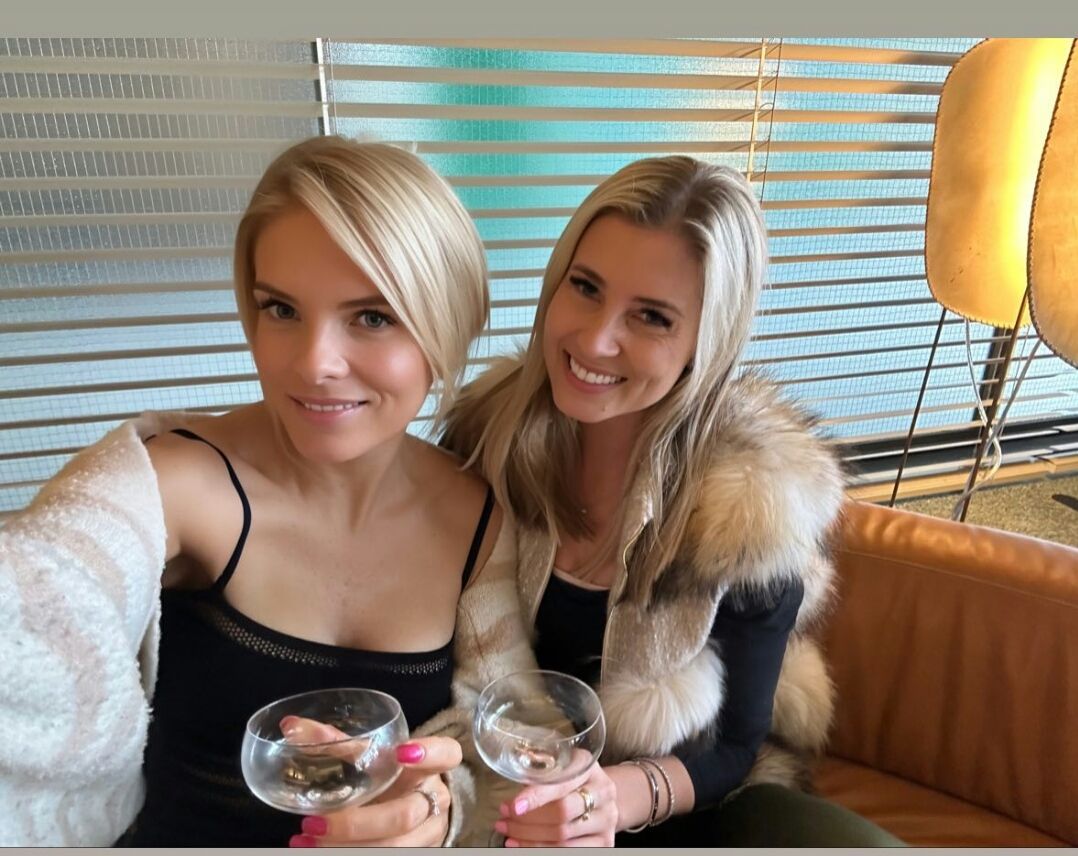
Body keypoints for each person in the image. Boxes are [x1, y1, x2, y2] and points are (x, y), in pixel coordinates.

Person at [0, 136, 534, 848]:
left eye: (372, 317)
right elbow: (39, 588)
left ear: (449, 327)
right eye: (281, 309)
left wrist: (434, 812)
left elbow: (507, 734)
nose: (313, 363)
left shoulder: (477, 516)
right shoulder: (173, 482)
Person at [443, 155, 904, 846]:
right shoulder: (483, 443)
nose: (596, 339)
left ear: (703, 345)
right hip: (497, 788)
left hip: (672, 806)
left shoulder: (751, 508)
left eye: (652, 317)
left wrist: (612, 799)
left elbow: (735, 747)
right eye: (585, 287)